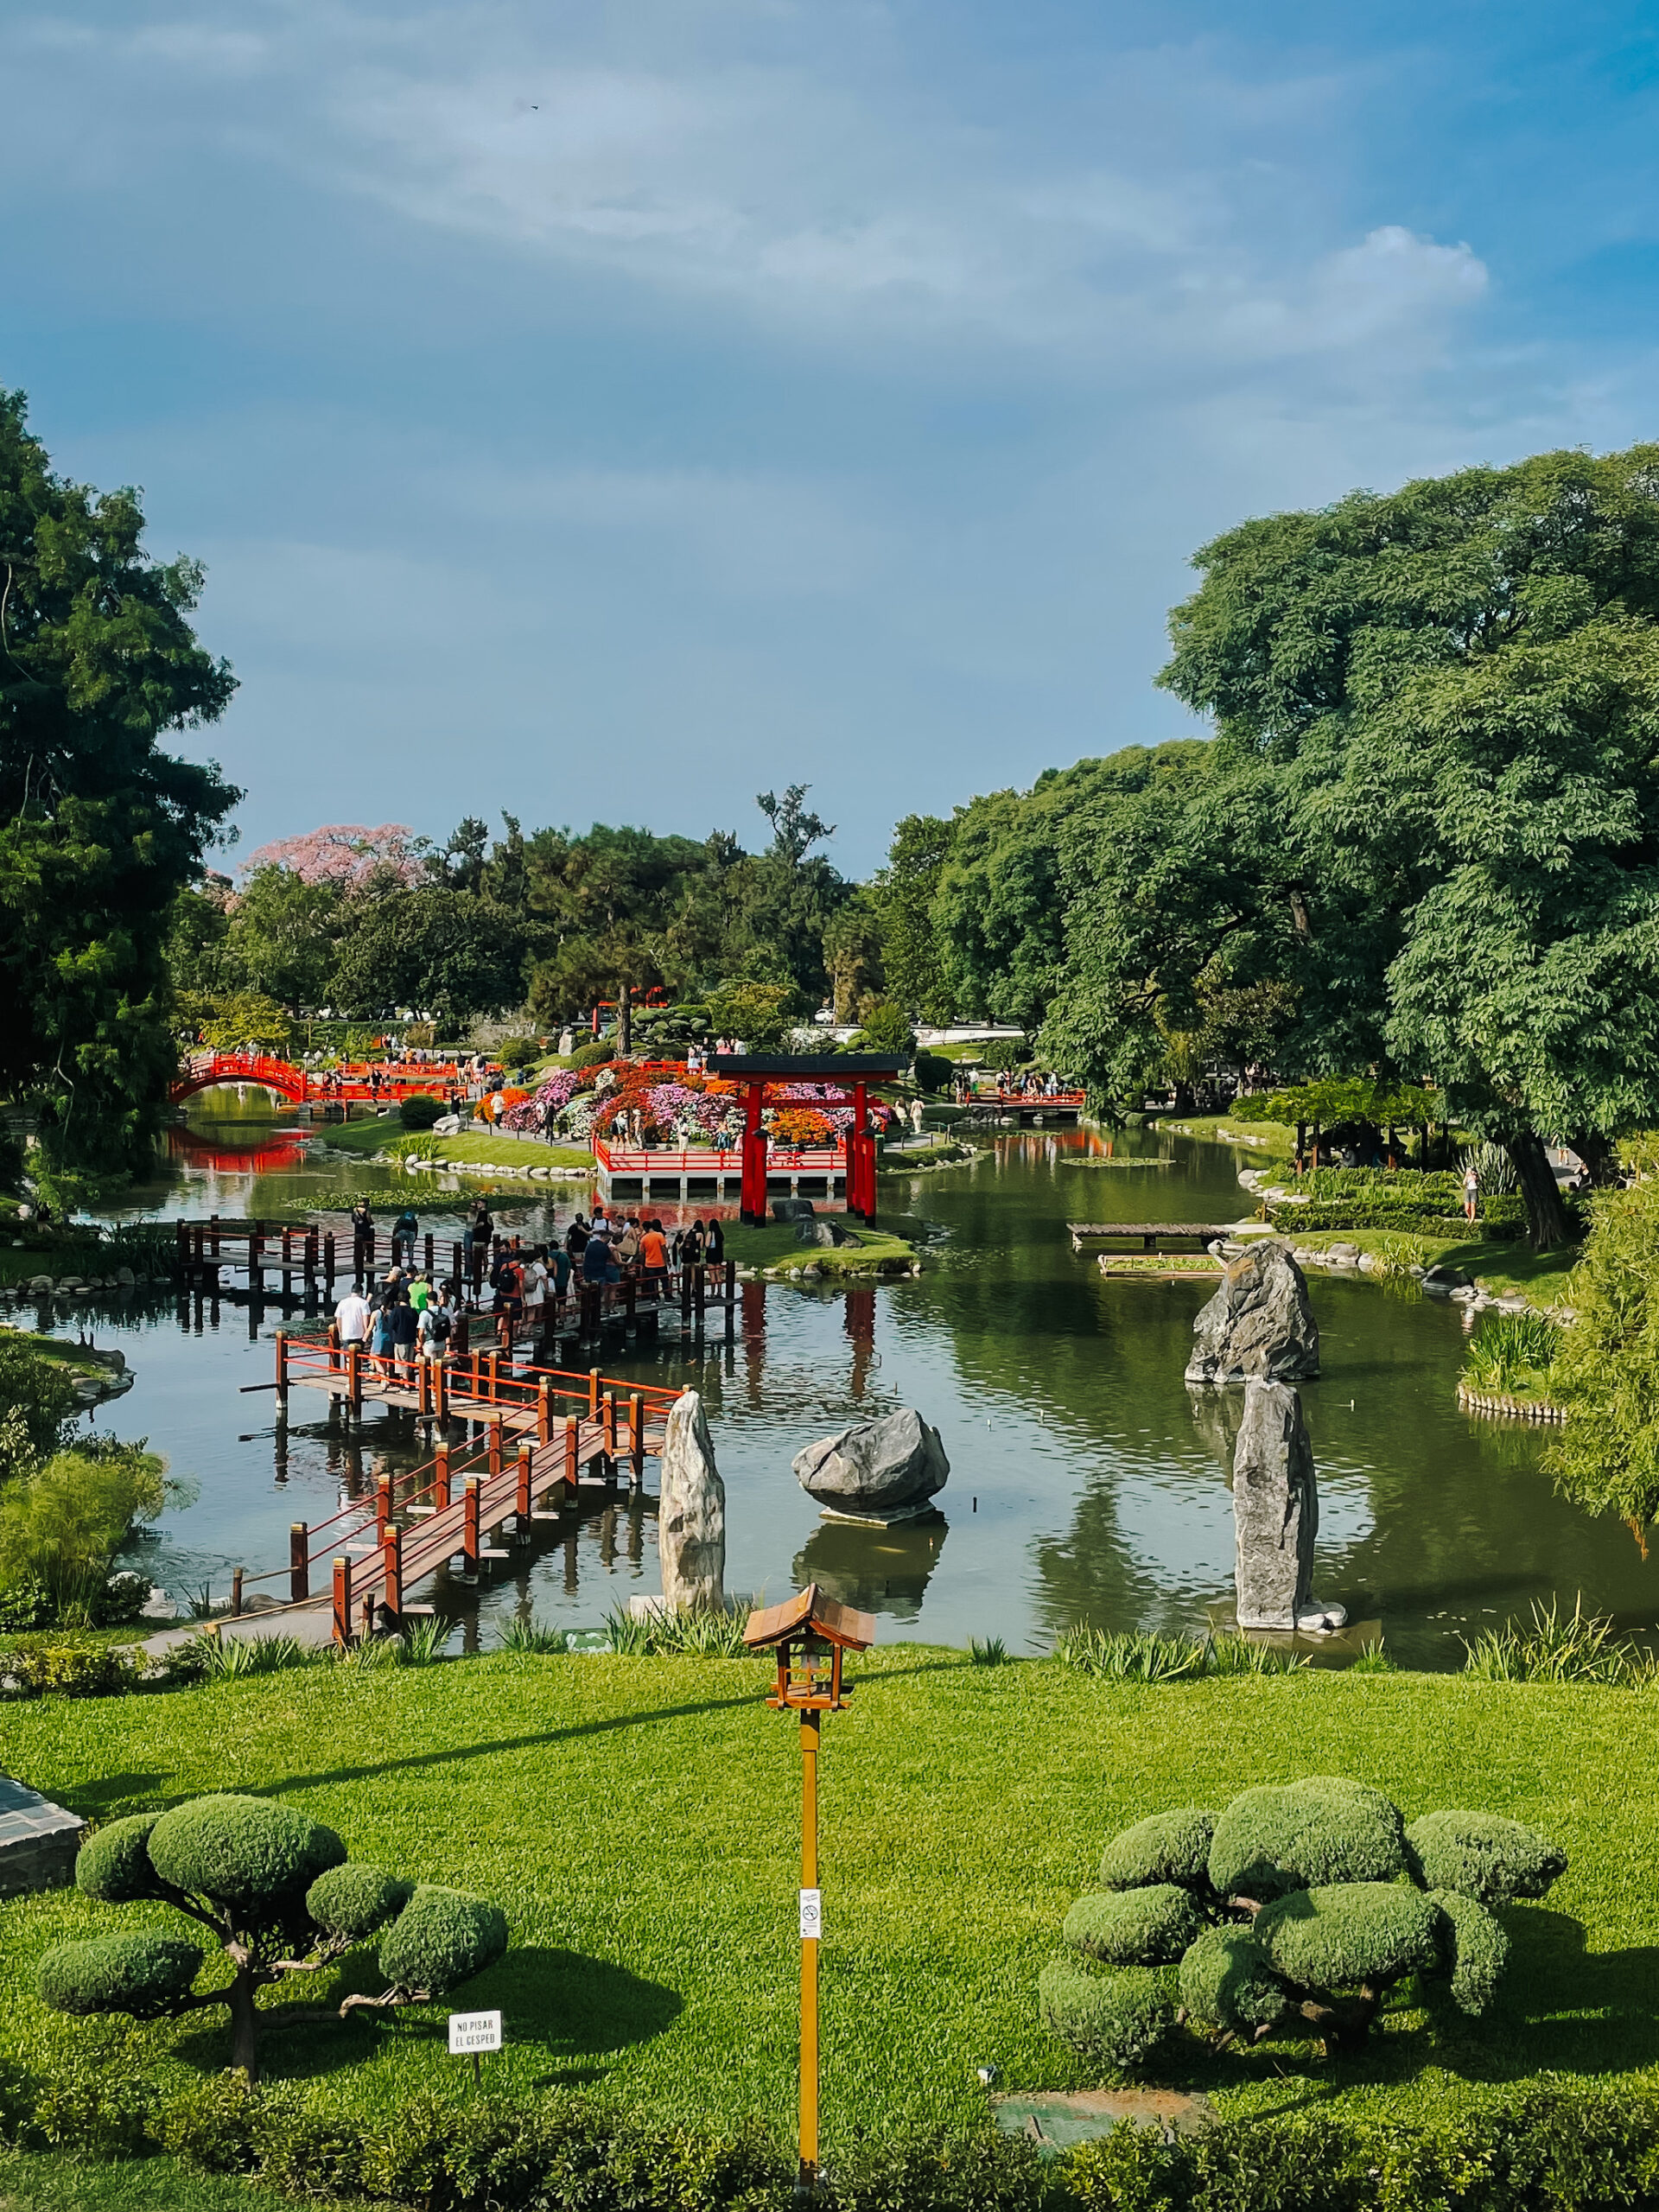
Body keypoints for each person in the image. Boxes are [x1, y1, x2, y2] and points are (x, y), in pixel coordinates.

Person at [389, 1289, 419, 1381]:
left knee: (402, 1362)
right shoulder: (413, 1311)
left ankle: (405, 1384)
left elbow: (391, 1325)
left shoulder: (396, 1311)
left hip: (400, 1339)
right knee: (409, 1361)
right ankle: (409, 1381)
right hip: (411, 1339)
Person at [334, 1281, 370, 1354]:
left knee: (348, 1357)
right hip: (359, 1334)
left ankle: (347, 1365)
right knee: (358, 1357)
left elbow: (339, 1319)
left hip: (346, 1334)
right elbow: (365, 1318)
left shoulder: (342, 1302)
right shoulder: (364, 1303)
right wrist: (367, 1332)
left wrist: (340, 1332)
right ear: (361, 1292)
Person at [351, 1197, 374, 1278]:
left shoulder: (355, 1209)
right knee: (365, 1245)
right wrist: (372, 1222)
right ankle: (365, 1260)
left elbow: (353, 1220)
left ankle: (355, 1260)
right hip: (365, 1229)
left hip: (357, 1229)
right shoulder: (367, 1210)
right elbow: (368, 1218)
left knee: (357, 1244)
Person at [1463, 1159, 1479, 1224]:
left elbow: (1475, 1179)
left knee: (1473, 1206)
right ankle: (1470, 1217)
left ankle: (1472, 1220)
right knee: (1467, 1208)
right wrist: (1466, 1176)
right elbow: (1464, 1183)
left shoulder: (1474, 1175)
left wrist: (1472, 1174)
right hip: (1468, 1190)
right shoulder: (1467, 1176)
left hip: (1474, 1190)